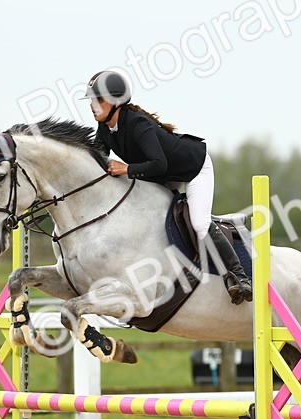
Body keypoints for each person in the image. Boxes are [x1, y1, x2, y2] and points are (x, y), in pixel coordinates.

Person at [81, 69, 252, 304]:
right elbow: (98, 161)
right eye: (91, 100)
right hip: (162, 173)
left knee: (200, 222)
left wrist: (126, 169)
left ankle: (240, 277)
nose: (92, 105)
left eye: (98, 99)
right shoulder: (105, 128)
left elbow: (158, 164)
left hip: (193, 168)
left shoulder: (138, 124)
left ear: (115, 101)